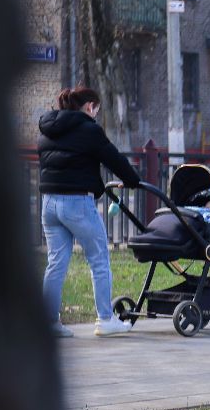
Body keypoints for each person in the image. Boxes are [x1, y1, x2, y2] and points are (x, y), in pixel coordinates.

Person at [37, 87, 143, 337]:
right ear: (88, 107)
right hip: (76, 203)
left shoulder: (48, 129)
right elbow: (113, 158)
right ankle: (105, 319)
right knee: (98, 259)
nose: (96, 114)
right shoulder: (89, 129)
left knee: (56, 264)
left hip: (49, 203)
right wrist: (133, 180)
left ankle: (49, 324)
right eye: (96, 109)